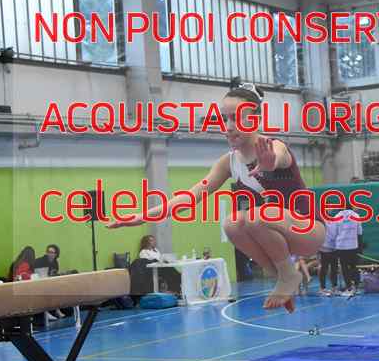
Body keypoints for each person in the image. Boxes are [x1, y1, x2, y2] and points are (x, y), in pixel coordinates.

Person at [109, 78, 326, 312]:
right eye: (224, 119)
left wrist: (270, 164)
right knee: (231, 223)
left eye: (236, 118)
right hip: (278, 233)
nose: (228, 126)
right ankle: (281, 276)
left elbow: (278, 157)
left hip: (308, 229)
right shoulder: (228, 162)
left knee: (254, 216)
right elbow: (190, 197)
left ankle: (287, 276)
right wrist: (143, 216)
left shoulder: (273, 146)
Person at [332, 208, 363, 296]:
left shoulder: (337, 216)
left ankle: (349, 288)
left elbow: (334, 232)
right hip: (353, 245)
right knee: (354, 266)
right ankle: (356, 287)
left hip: (341, 246)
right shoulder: (356, 215)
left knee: (344, 267)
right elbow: (360, 232)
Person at [318, 220, 338, 295]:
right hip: (324, 248)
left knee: (334, 269)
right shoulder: (321, 221)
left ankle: (334, 287)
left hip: (334, 248)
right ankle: (322, 288)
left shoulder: (335, 221)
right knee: (324, 268)